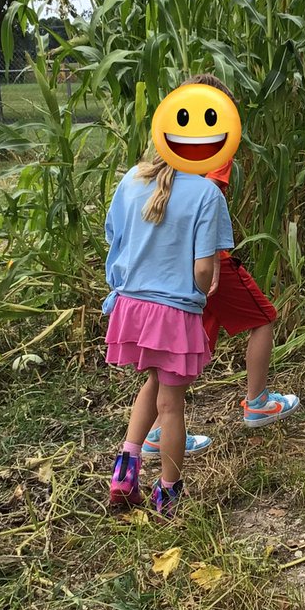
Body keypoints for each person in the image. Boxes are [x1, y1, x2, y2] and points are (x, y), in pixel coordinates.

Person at [142, 74, 299, 459]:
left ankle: (155, 433)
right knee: (263, 317)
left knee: (183, 350)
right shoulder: (214, 147)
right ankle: (258, 403)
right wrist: (211, 259)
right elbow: (209, 196)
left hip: (169, 263)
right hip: (208, 263)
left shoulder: (164, 152)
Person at [103, 143, 233, 517]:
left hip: (131, 306)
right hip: (173, 311)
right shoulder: (206, 193)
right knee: (172, 405)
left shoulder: (133, 177)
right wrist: (199, 295)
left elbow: (115, 235)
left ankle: (124, 475)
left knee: (154, 382)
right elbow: (203, 269)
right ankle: (169, 495)